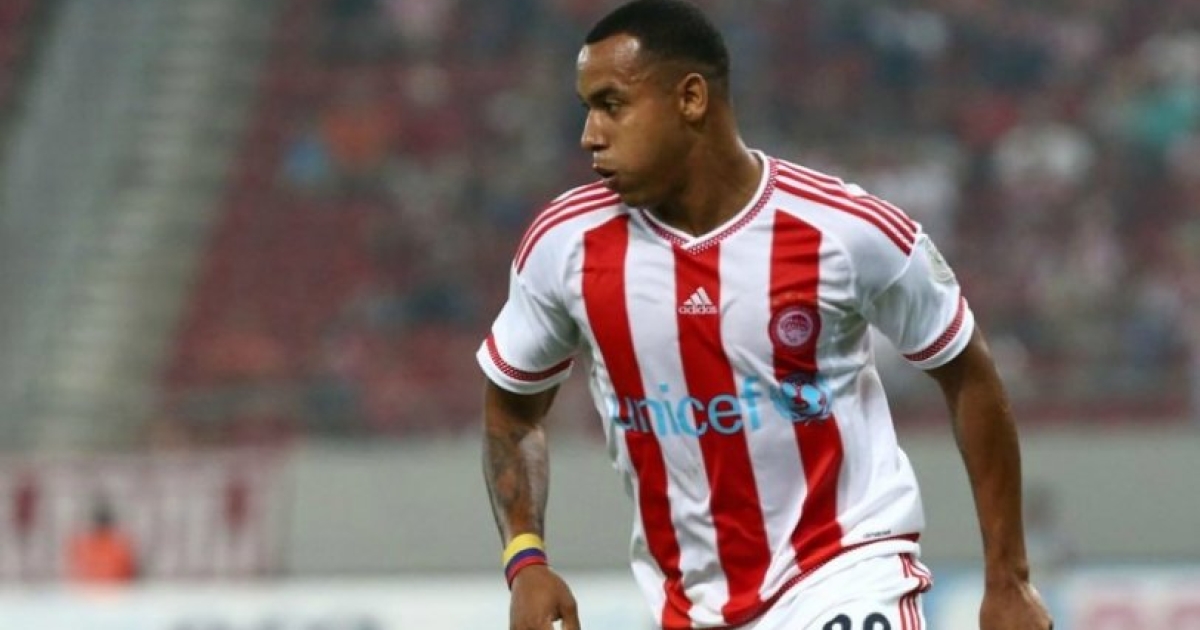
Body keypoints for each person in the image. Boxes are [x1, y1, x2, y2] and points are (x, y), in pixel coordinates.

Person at [477, 1, 1053, 629]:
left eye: (611, 105)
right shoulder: (564, 245)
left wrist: (1008, 578)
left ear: (691, 98)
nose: (590, 134)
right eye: (587, 109)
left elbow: (967, 371)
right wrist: (525, 559)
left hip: (847, 573)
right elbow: (512, 409)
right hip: (691, 605)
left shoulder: (846, 231)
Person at [66, 498, 138, 585]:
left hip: (109, 588)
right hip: (104, 588)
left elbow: (129, 571)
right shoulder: (120, 545)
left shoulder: (118, 546)